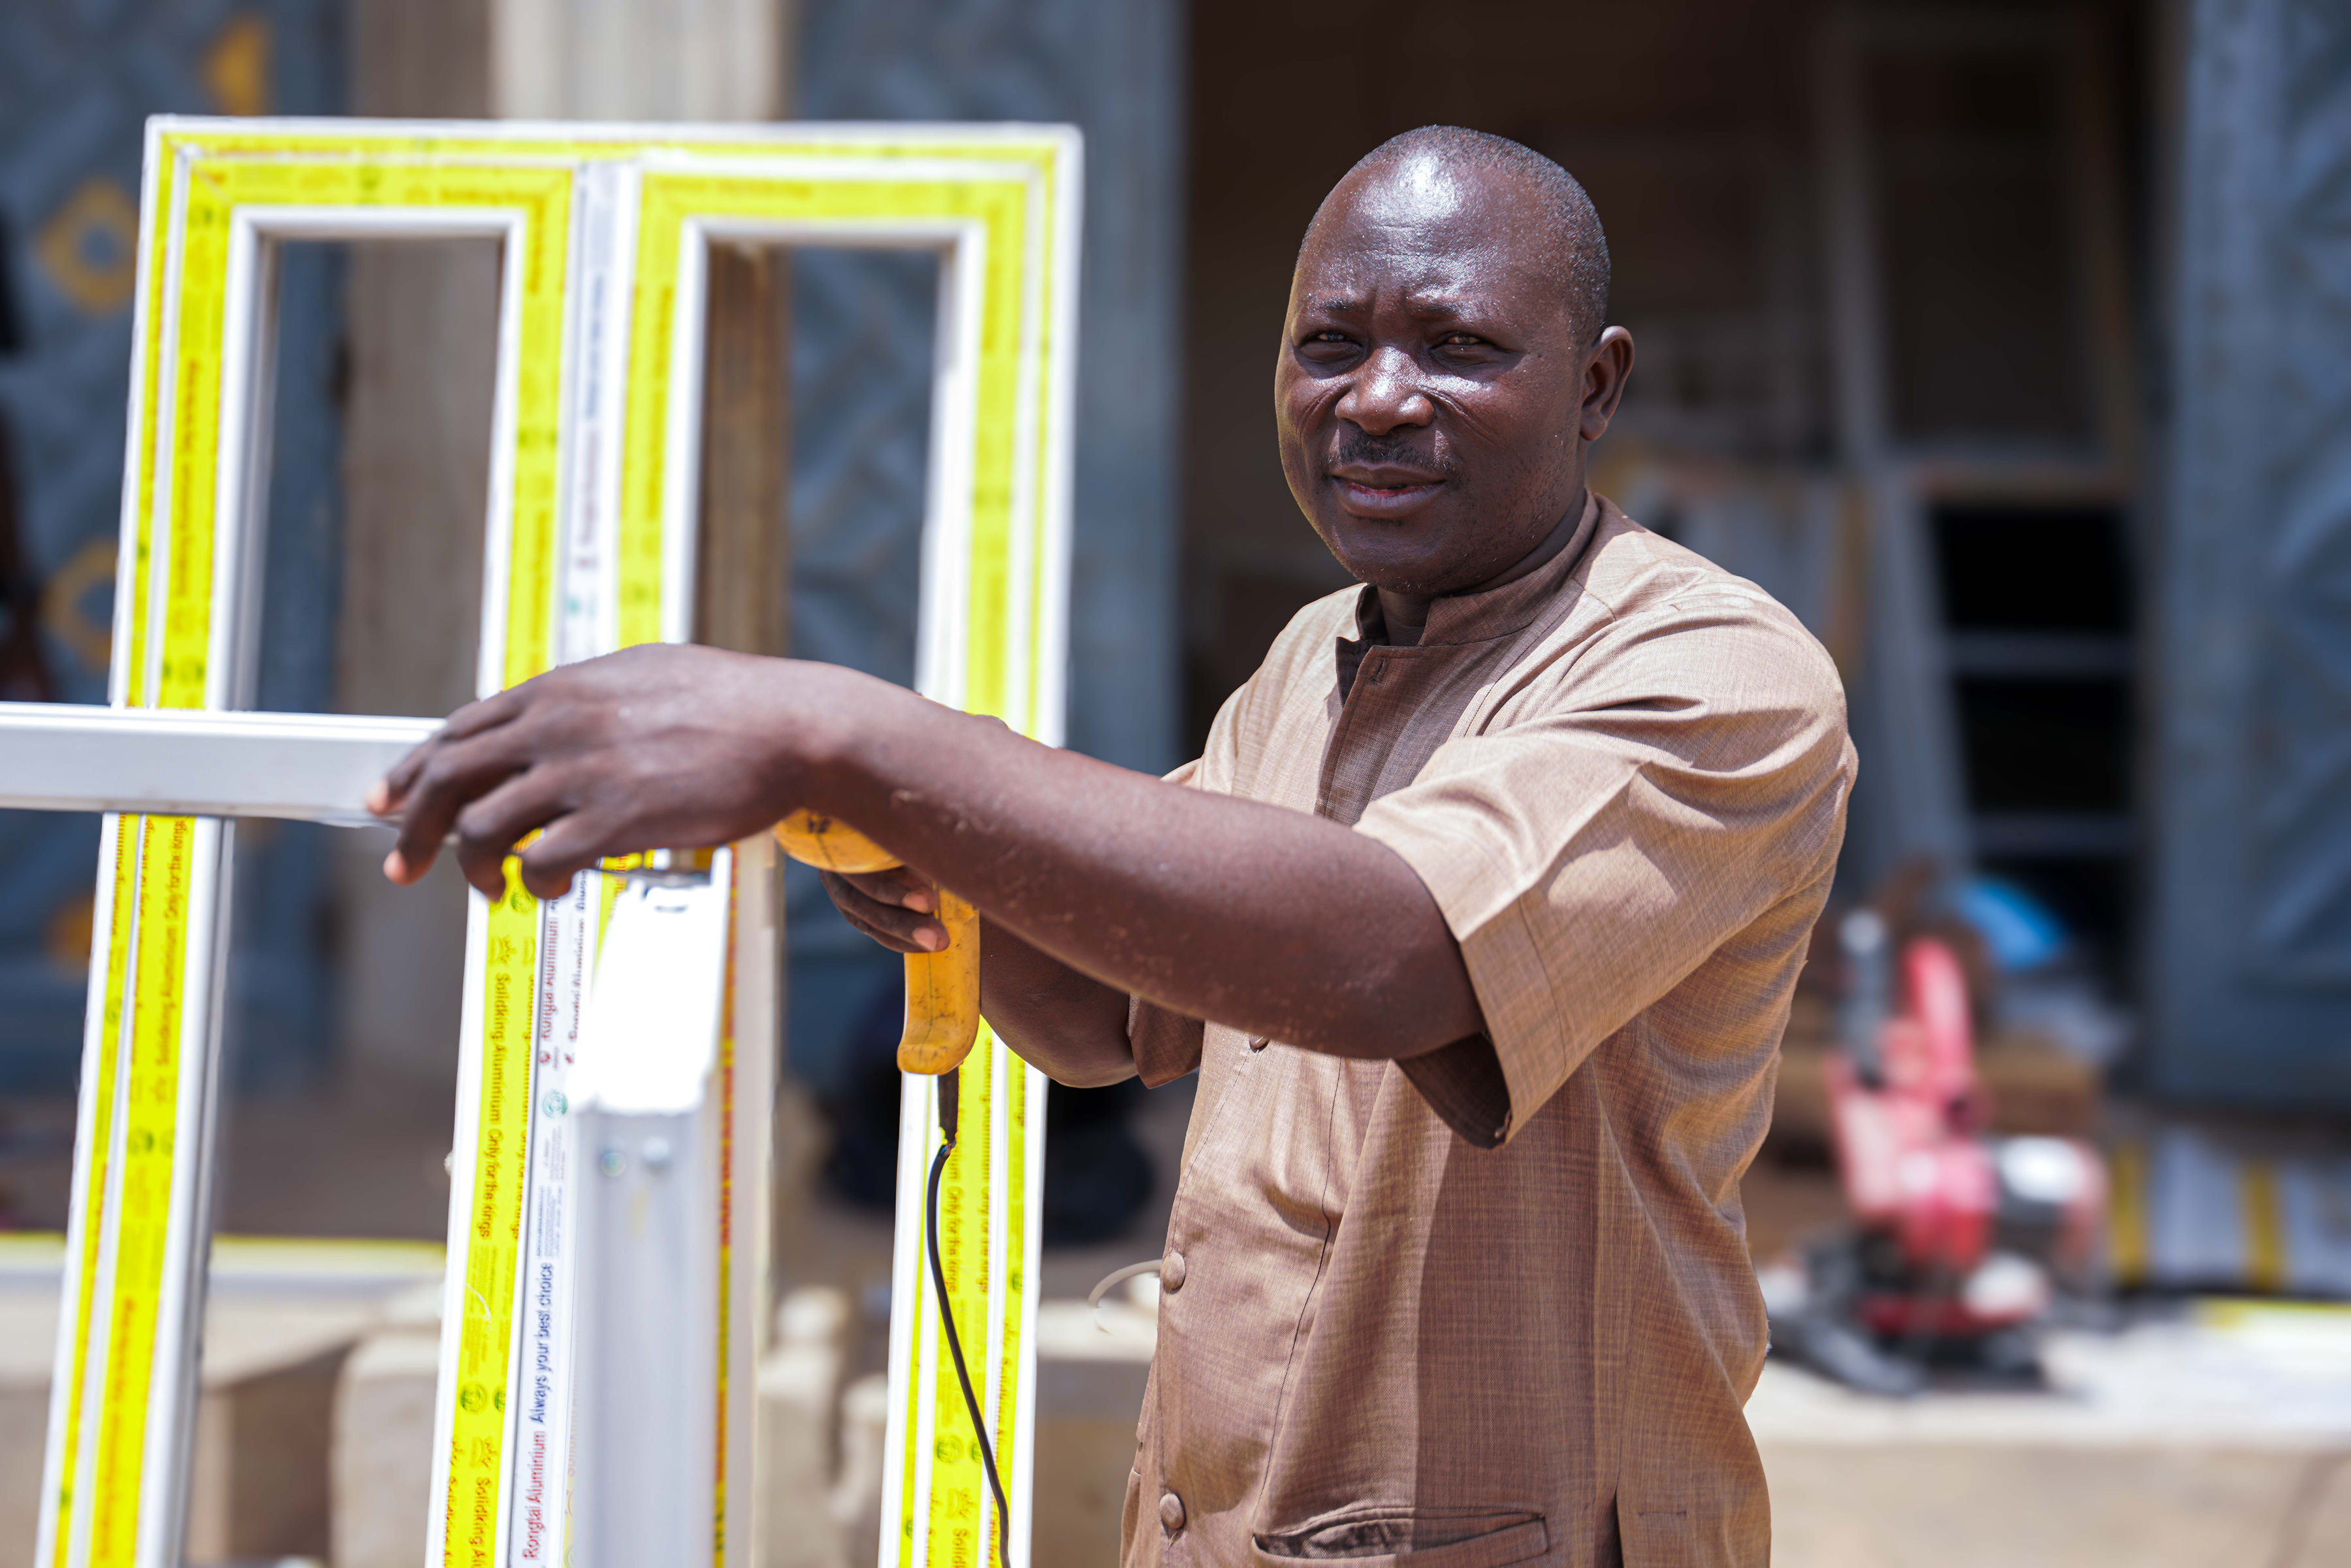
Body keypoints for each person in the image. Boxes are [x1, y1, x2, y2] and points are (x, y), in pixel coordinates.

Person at [373, 125, 1853, 1568]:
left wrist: (854, 737)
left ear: (1596, 388)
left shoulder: (1713, 672)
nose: (1380, 400)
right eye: (1330, 346)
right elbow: (1102, 1019)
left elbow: (1386, 954)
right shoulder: (1308, 660)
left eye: (1457, 349)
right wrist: (923, 843)